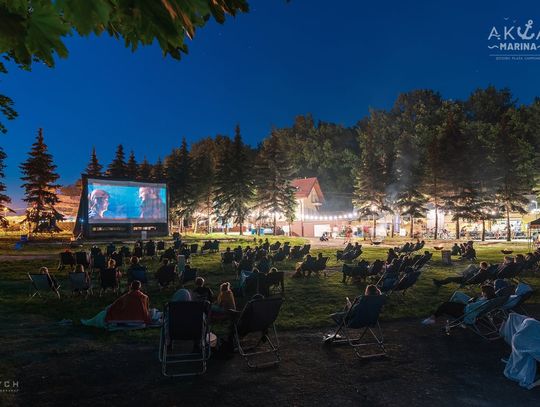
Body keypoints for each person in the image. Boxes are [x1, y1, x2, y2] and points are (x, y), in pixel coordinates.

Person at [421, 285, 496, 325]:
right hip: (468, 311)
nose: (481, 293)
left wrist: (472, 301)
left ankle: (432, 318)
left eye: (482, 292)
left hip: (465, 314)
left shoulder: (483, 302)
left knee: (445, 304)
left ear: (486, 293)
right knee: (453, 300)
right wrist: (476, 299)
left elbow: (470, 306)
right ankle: (444, 310)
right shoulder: (488, 300)